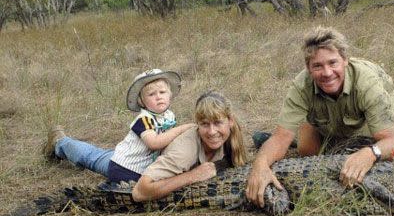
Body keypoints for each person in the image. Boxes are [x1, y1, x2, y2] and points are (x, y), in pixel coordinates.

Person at [246, 26, 394, 207]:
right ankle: (296, 141)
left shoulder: (368, 82)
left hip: (369, 110)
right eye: (317, 66)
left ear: (345, 60)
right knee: (307, 151)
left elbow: (392, 140)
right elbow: (280, 138)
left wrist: (370, 153)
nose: (327, 73)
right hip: (322, 115)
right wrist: (260, 165)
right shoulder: (301, 86)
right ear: (308, 68)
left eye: (333, 63)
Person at [44, 69, 195, 182]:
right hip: (127, 170)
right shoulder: (144, 119)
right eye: (151, 94)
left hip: (138, 159)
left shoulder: (169, 115)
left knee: (100, 154)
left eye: (162, 92)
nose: (158, 97)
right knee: (91, 157)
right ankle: (60, 142)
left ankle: (65, 143)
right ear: (141, 102)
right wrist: (182, 128)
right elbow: (154, 143)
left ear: (170, 95)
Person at [132, 91, 247, 201]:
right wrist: (193, 175)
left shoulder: (233, 133)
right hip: (131, 166)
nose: (212, 131)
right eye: (205, 124)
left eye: (218, 122)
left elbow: (234, 160)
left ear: (230, 121)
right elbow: (139, 192)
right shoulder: (184, 153)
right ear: (198, 124)